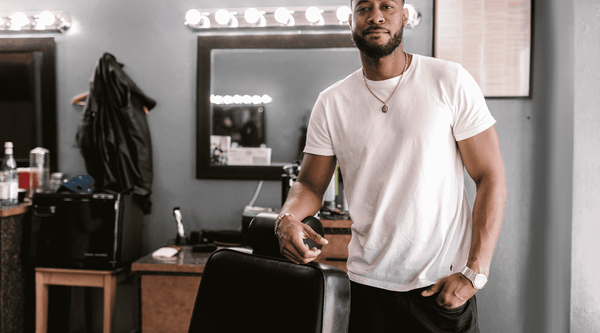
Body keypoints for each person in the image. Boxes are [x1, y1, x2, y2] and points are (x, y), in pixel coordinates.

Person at [274, 0, 507, 332]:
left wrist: (476, 272)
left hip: (439, 290)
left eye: (387, 6)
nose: (376, 16)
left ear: (405, 15)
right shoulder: (332, 102)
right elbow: (310, 185)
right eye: (364, 8)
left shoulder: (449, 80)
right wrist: (287, 219)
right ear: (350, 20)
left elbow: (490, 176)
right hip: (366, 291)